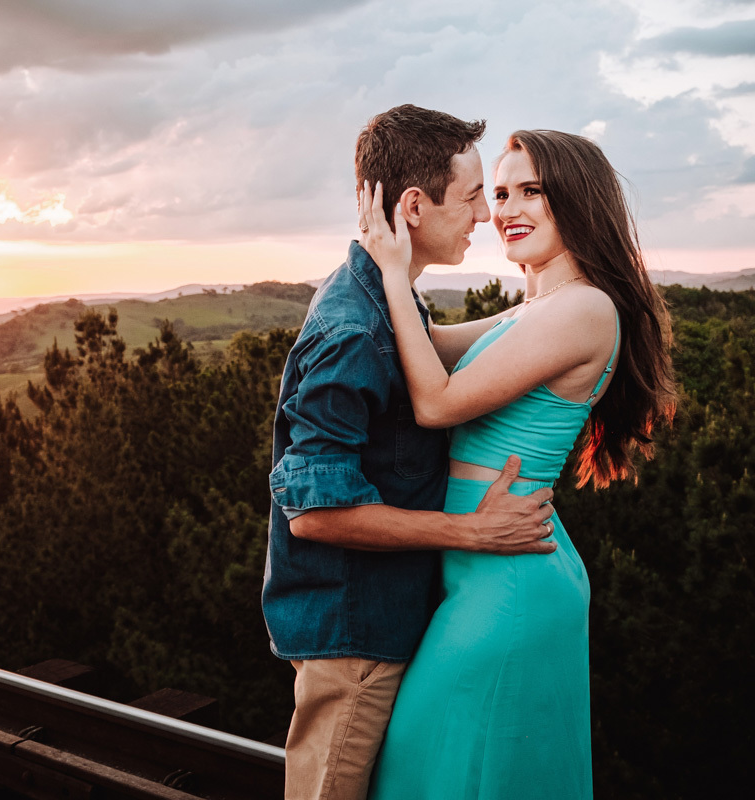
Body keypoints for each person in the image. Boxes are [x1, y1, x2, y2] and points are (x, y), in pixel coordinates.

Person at [360, 130, 677, 799]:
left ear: (577, 200)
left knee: (436, 770)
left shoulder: (586, 309)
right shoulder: (537, 309)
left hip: (514, 584)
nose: (506, 208)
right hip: (481, 566)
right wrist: (399, 249)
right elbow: (432, 343)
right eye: (498, 193)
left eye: (531, 190)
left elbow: (436, 400)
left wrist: (391, 274)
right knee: (436, 771)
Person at [262, 105, 559, 800]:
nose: (485, 215)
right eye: (473, 196)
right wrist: (472, 533)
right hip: (354, 639)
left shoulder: (383, 303)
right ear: (416, 206)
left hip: (379, 624)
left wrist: (551, 310)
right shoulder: (353, 331)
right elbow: (316, 514)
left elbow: (453, 348)